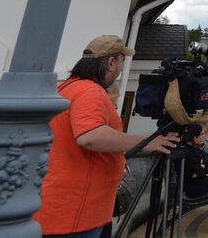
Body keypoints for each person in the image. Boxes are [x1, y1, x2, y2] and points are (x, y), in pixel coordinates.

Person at [35, 36, 178, 238]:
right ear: (111, 62)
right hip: (77, 215)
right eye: (120, 62)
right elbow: (90, 135)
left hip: (66, 207)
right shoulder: (90, 91)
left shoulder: (67, 87)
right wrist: (146, 143)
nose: (120, 69)